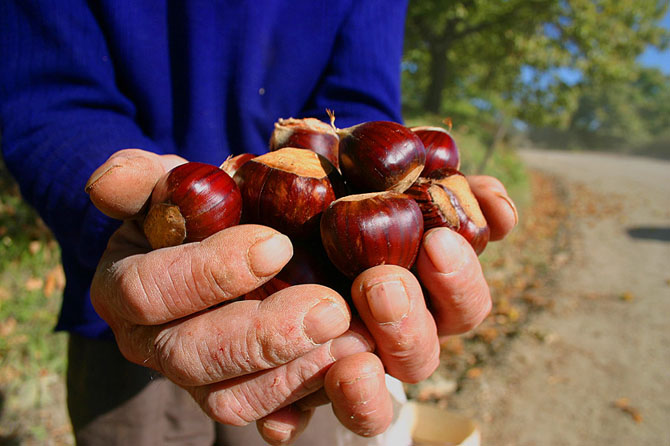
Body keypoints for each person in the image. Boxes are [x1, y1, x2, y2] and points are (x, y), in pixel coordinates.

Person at [0, 1, 517, 445]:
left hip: (310, 321)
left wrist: (365, 199)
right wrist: (124, 222)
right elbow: (46, 93)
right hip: (124, 296)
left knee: (304, 409)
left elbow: (357, 118)